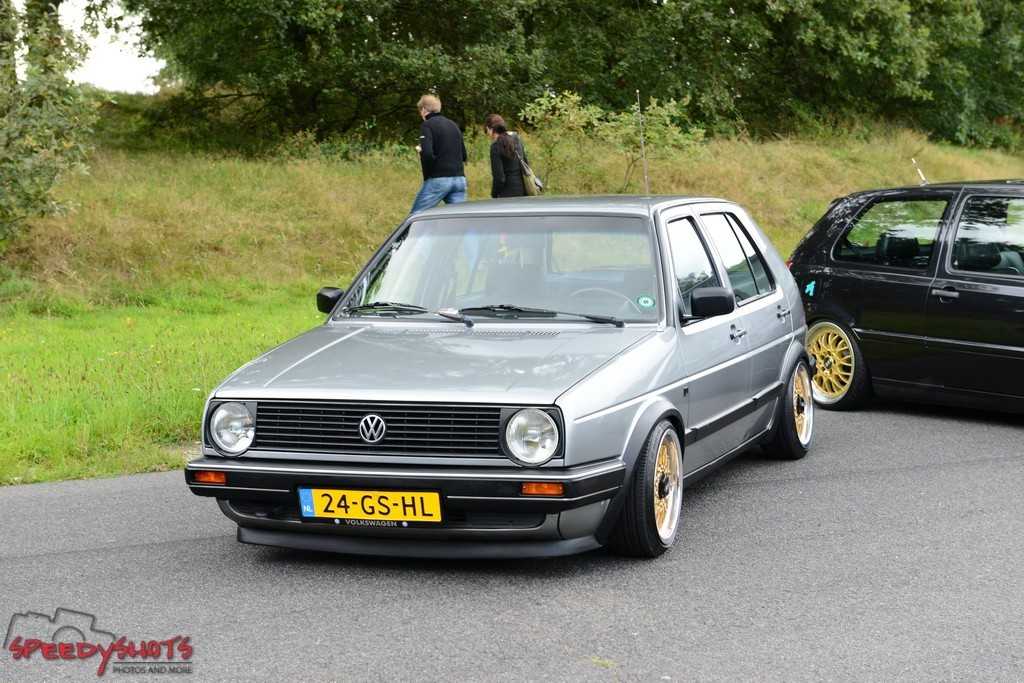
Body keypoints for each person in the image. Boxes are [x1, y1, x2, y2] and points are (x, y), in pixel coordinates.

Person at [410, 94, 468, 214]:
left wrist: (428, 177)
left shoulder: (427, 125)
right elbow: (464, 156)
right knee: (461, 219)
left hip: (439, 179)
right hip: (459, 179)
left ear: (424, 110)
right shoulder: (453, 125)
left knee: (416, 217)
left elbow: (427, 153)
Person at [484, 114, 530, 198]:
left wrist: (494, 194)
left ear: (491, 129)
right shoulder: (517, 141)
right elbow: (526, 165)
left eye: (487, 129)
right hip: (522, 191)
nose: (487, 132)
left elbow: (499, 177)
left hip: (506, 194)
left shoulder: (496, 146)